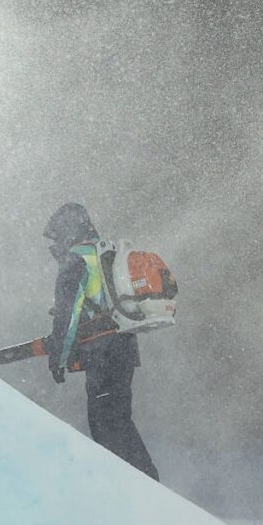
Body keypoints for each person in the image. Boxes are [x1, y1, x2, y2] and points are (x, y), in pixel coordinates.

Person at [43, 202, 160, 481]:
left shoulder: (76, 260)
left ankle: (139, 487)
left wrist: (58, 358)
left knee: (106, 424)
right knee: (118, 420)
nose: (54, 246)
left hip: (103, 353)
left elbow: (68, 317)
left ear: (66, 232)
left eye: (56, 237)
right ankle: (144, 484)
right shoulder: (103, 253)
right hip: (123, 346)